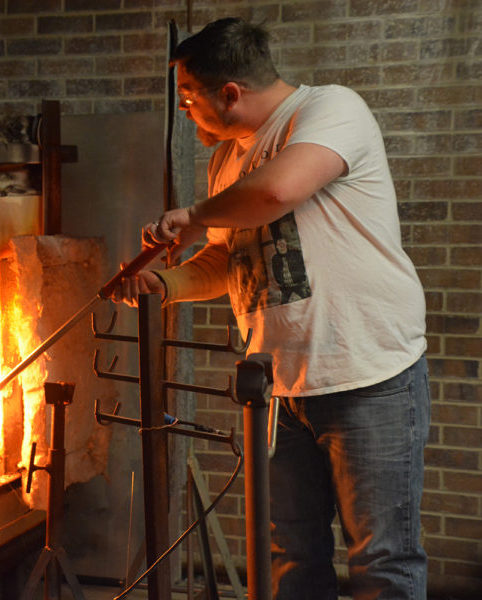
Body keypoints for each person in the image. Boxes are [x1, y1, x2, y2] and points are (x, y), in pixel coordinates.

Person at [114, 17, 430, 600]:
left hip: (367, 375)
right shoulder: (226, 163)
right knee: (292, 553)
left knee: (382, 560)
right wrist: (166, 283)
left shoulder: (332, 110)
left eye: (190, 98)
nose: (186, 111)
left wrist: (193, 214)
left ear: (230, 94)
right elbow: (226, 262)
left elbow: (278, 192)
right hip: (279, 389)